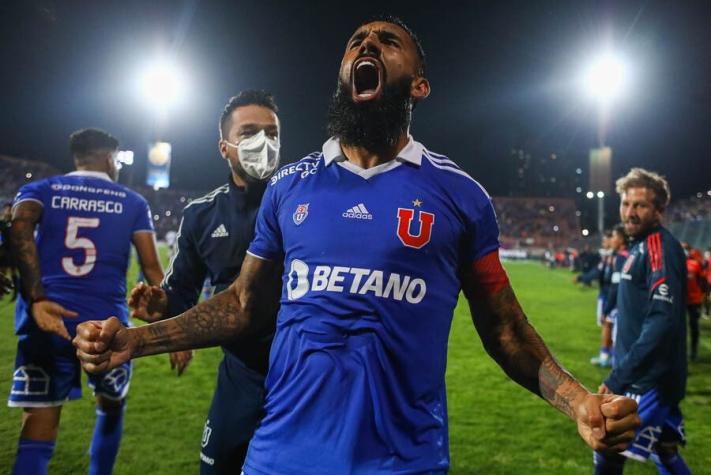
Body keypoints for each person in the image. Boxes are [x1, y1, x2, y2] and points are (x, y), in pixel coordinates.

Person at [74, 16, 639, 474]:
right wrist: (137, 340)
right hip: (278, 457)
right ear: (345, 74)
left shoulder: (460, 196)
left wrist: (578, 402)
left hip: (402, 461)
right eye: (356, 42)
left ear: (418, 85)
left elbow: (506, 329)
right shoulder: (290, 187)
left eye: (387, 41)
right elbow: (243, 304)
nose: (367, 43)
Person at [128, 91, 282, 473]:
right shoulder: (201, 215)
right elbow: (181, 292)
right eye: (248, 132)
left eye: (272, 133)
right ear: (224, 148)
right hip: (241, 373)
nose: (263, 143)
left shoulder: (305, 202)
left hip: (305, 374)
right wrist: (160, 305)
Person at [8, 128, 163, 475]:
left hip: (46, 322)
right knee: (111, 406)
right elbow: (152, 267)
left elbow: (19, 227)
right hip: (107, 328)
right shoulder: (133, 202)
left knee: (39, 420)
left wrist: (36, 297)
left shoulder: (40, 190)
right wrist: (171, 323)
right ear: (109, 158)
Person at [596, 168, 690, 474]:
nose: (630, 212)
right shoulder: (637, 246)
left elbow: (661, 321)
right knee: (665, 452)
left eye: (640, 205)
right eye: (626, 204)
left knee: (608, 452)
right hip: (646, 375)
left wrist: (618, 377)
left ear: (659, 210)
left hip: (647, 380)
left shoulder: (658, 247)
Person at [591, 225, 628, 367]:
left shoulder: (621, 257)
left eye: (613, 236)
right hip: (620, 300)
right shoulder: (623, 255)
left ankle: (611, 359)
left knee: (612, 328)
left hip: (619, 302)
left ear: (621, 239)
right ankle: (610, 357)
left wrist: (607, 308)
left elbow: (616, 285)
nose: (611, 240)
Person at [684, 245, 706, 361]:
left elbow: (702, 281)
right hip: (680, 301)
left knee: (694, 326)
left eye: (685, 248)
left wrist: (702, 295)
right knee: (679, 328)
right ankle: (680, 352)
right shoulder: (676, 262)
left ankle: (694, 351)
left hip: (694, 300)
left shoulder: (695, 264)